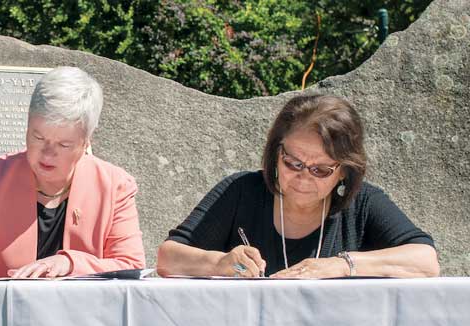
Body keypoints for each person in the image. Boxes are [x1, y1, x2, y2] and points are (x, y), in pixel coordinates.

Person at [157, 94, 439, 279]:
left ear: (344, 171)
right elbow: (168, 258)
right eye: (293, 163)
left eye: (321, 169)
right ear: (275, 153)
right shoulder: (241, 191)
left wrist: (340, 265)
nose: (304, 177)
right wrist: (219, 263)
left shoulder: (364, 203)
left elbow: (426, 261)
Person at [0, 67, 146, 278]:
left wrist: (69, 264)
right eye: (38, 138)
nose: (47, 154)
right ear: (27, 126)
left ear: (86, 142)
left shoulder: (115, 186)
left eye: (63, 145)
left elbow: (131, 264)